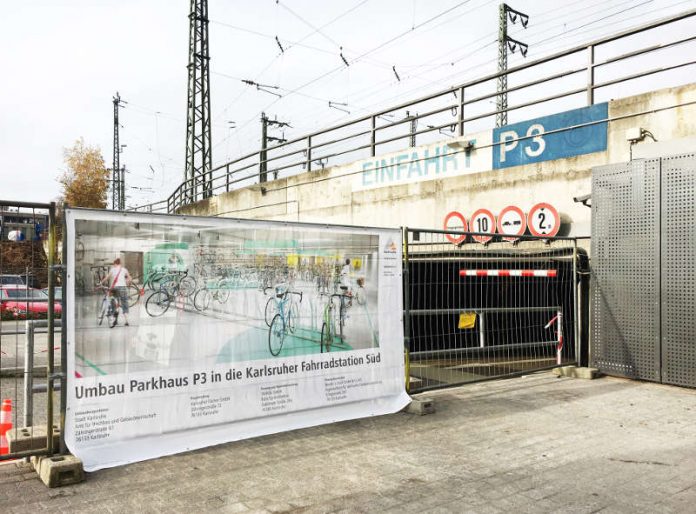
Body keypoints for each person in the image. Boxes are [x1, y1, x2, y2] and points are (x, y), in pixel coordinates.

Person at [102, 257, 132, 327]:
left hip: (115, 288)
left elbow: (107, 278)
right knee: (124, 304)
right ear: (120, 264)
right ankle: (127, 321)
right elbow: (130, 278)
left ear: (115, 264)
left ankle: (115, 318)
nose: (114, 265)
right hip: (123, 288)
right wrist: (127, 282)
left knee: (114, 303)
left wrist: (101, 282)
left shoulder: (112, 269)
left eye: (114, 264)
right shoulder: (124, 269)